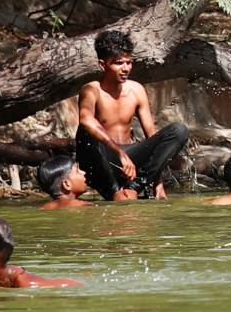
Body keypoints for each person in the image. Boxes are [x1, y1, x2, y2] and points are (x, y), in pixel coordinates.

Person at [73, 28, 189, 200]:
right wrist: (119, 153)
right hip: (102, 161)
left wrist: (158, 182)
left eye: (129, 62)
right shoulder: (91, 90)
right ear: (102, 65)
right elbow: (86, 119)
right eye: (118, 63)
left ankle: (135, 187)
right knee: (85, 132)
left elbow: (152, 136)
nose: (125, 68)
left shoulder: (136, 90)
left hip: (131, 160)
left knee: (179, 130)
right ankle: (115, 192)